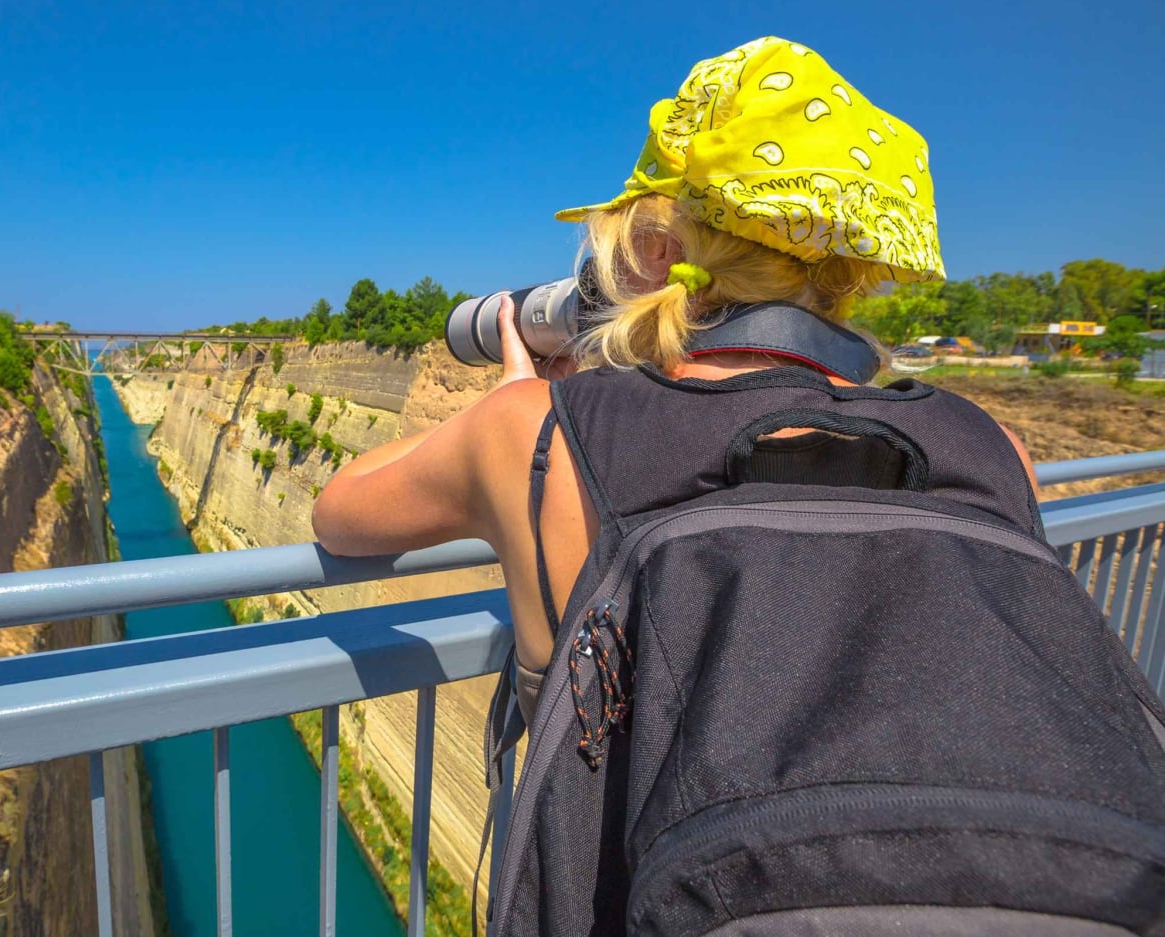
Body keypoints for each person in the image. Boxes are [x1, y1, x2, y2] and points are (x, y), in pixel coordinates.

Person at [312, 36, 1039, 718]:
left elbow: (338, 513)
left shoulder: (539, 434)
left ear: (660, 250)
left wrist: (510, 404)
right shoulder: (994, 452)